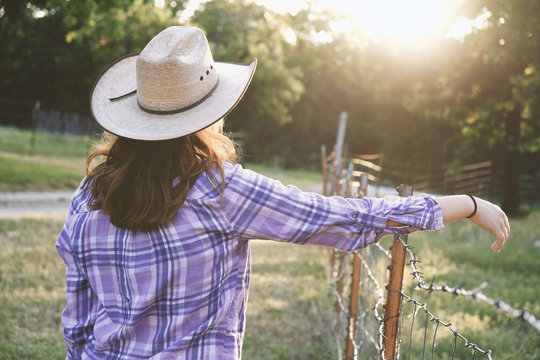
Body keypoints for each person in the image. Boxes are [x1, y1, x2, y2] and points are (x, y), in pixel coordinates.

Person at [56, 26, 510, 360]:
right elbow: (344, 217)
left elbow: (78, 317)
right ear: (207, 114)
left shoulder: (92, 192)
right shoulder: (221, 190)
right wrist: (467, 204)